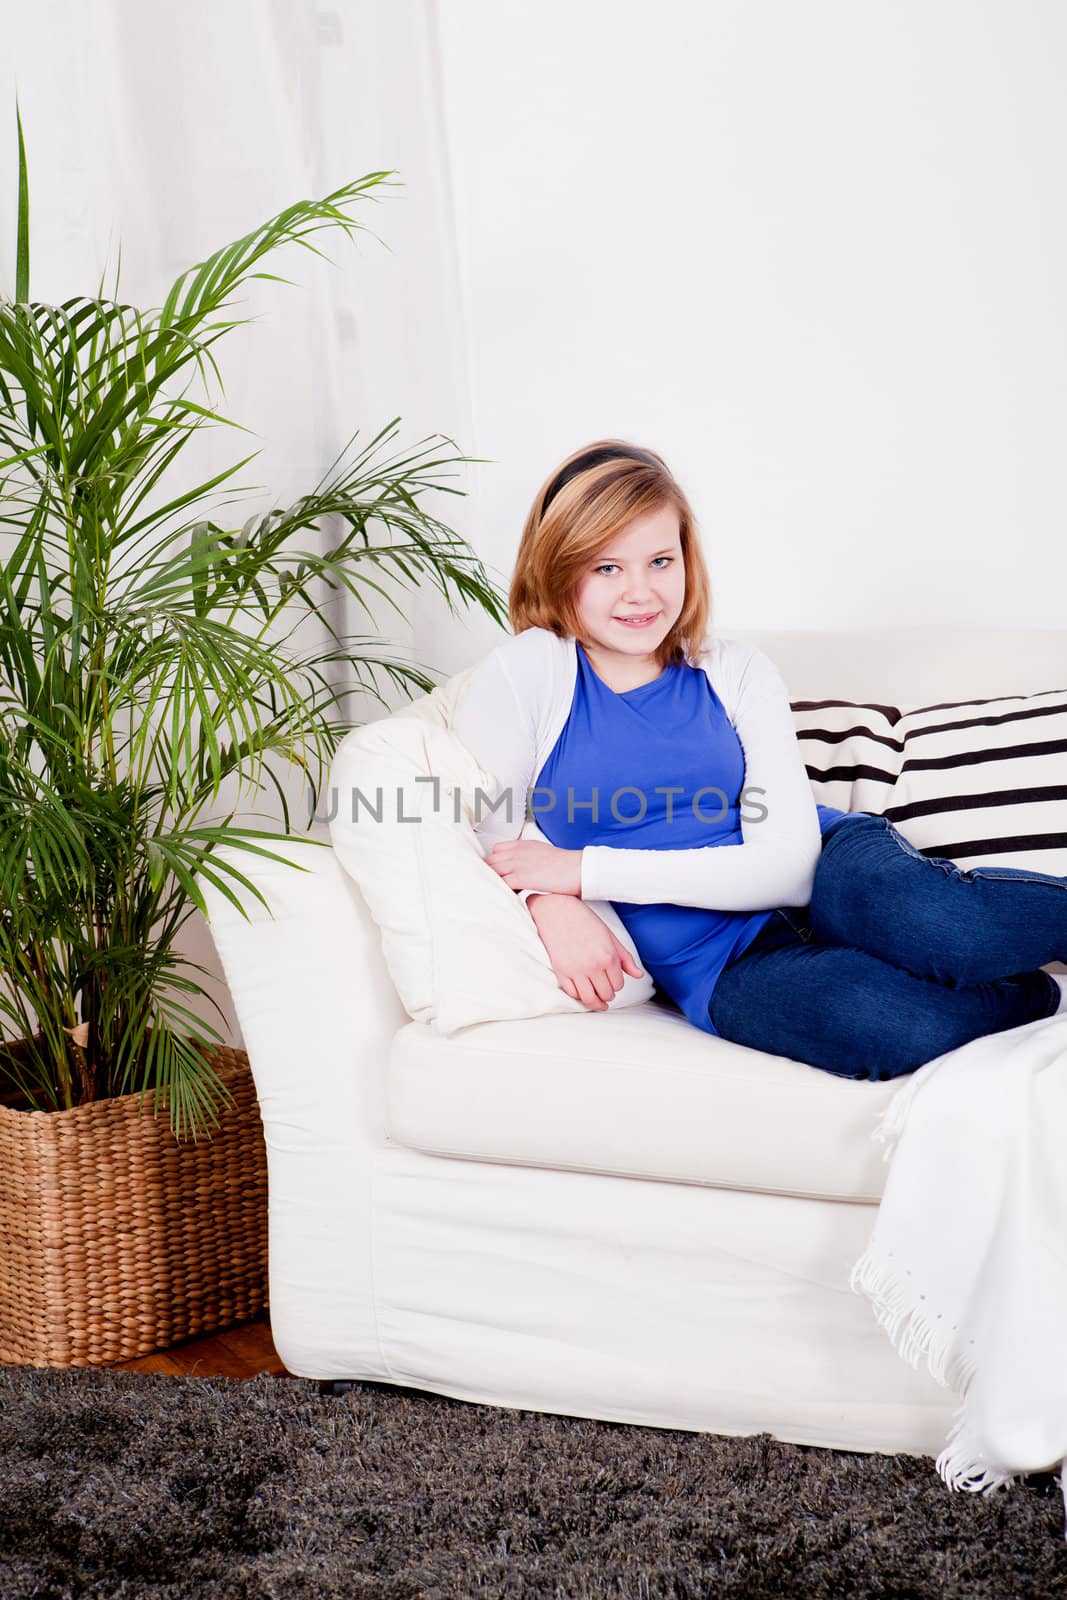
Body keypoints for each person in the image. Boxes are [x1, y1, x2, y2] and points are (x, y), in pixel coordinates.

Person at [451, 440, 1067, 1082]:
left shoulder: (734, 670)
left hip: (832, 869)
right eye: (607, 568)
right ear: (559, 569)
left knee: (945, 929)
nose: (641, 592)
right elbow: (489, 836)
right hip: (718, 965)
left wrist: (584, 872)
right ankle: (1032, 992)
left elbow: (790, 873)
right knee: (890, 1028)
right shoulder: (527, 675)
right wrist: (547, 898)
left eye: (660, 560)